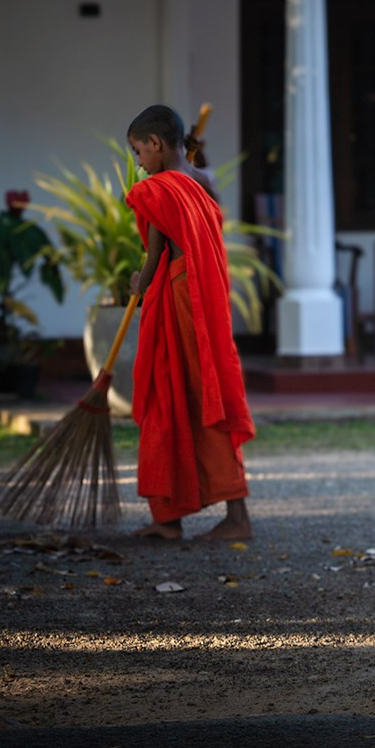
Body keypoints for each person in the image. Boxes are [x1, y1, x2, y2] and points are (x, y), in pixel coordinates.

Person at [123, 104, 255, 542]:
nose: (139, 162)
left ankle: (233, 519)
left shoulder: (158, 189)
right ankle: (169, 517)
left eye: (139, 151)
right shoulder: (205, 180)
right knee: (207, 395)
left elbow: (157, 255)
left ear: (157, 145)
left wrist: (136, 284)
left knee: (175, 394)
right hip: (209, 299)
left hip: (180, 300)